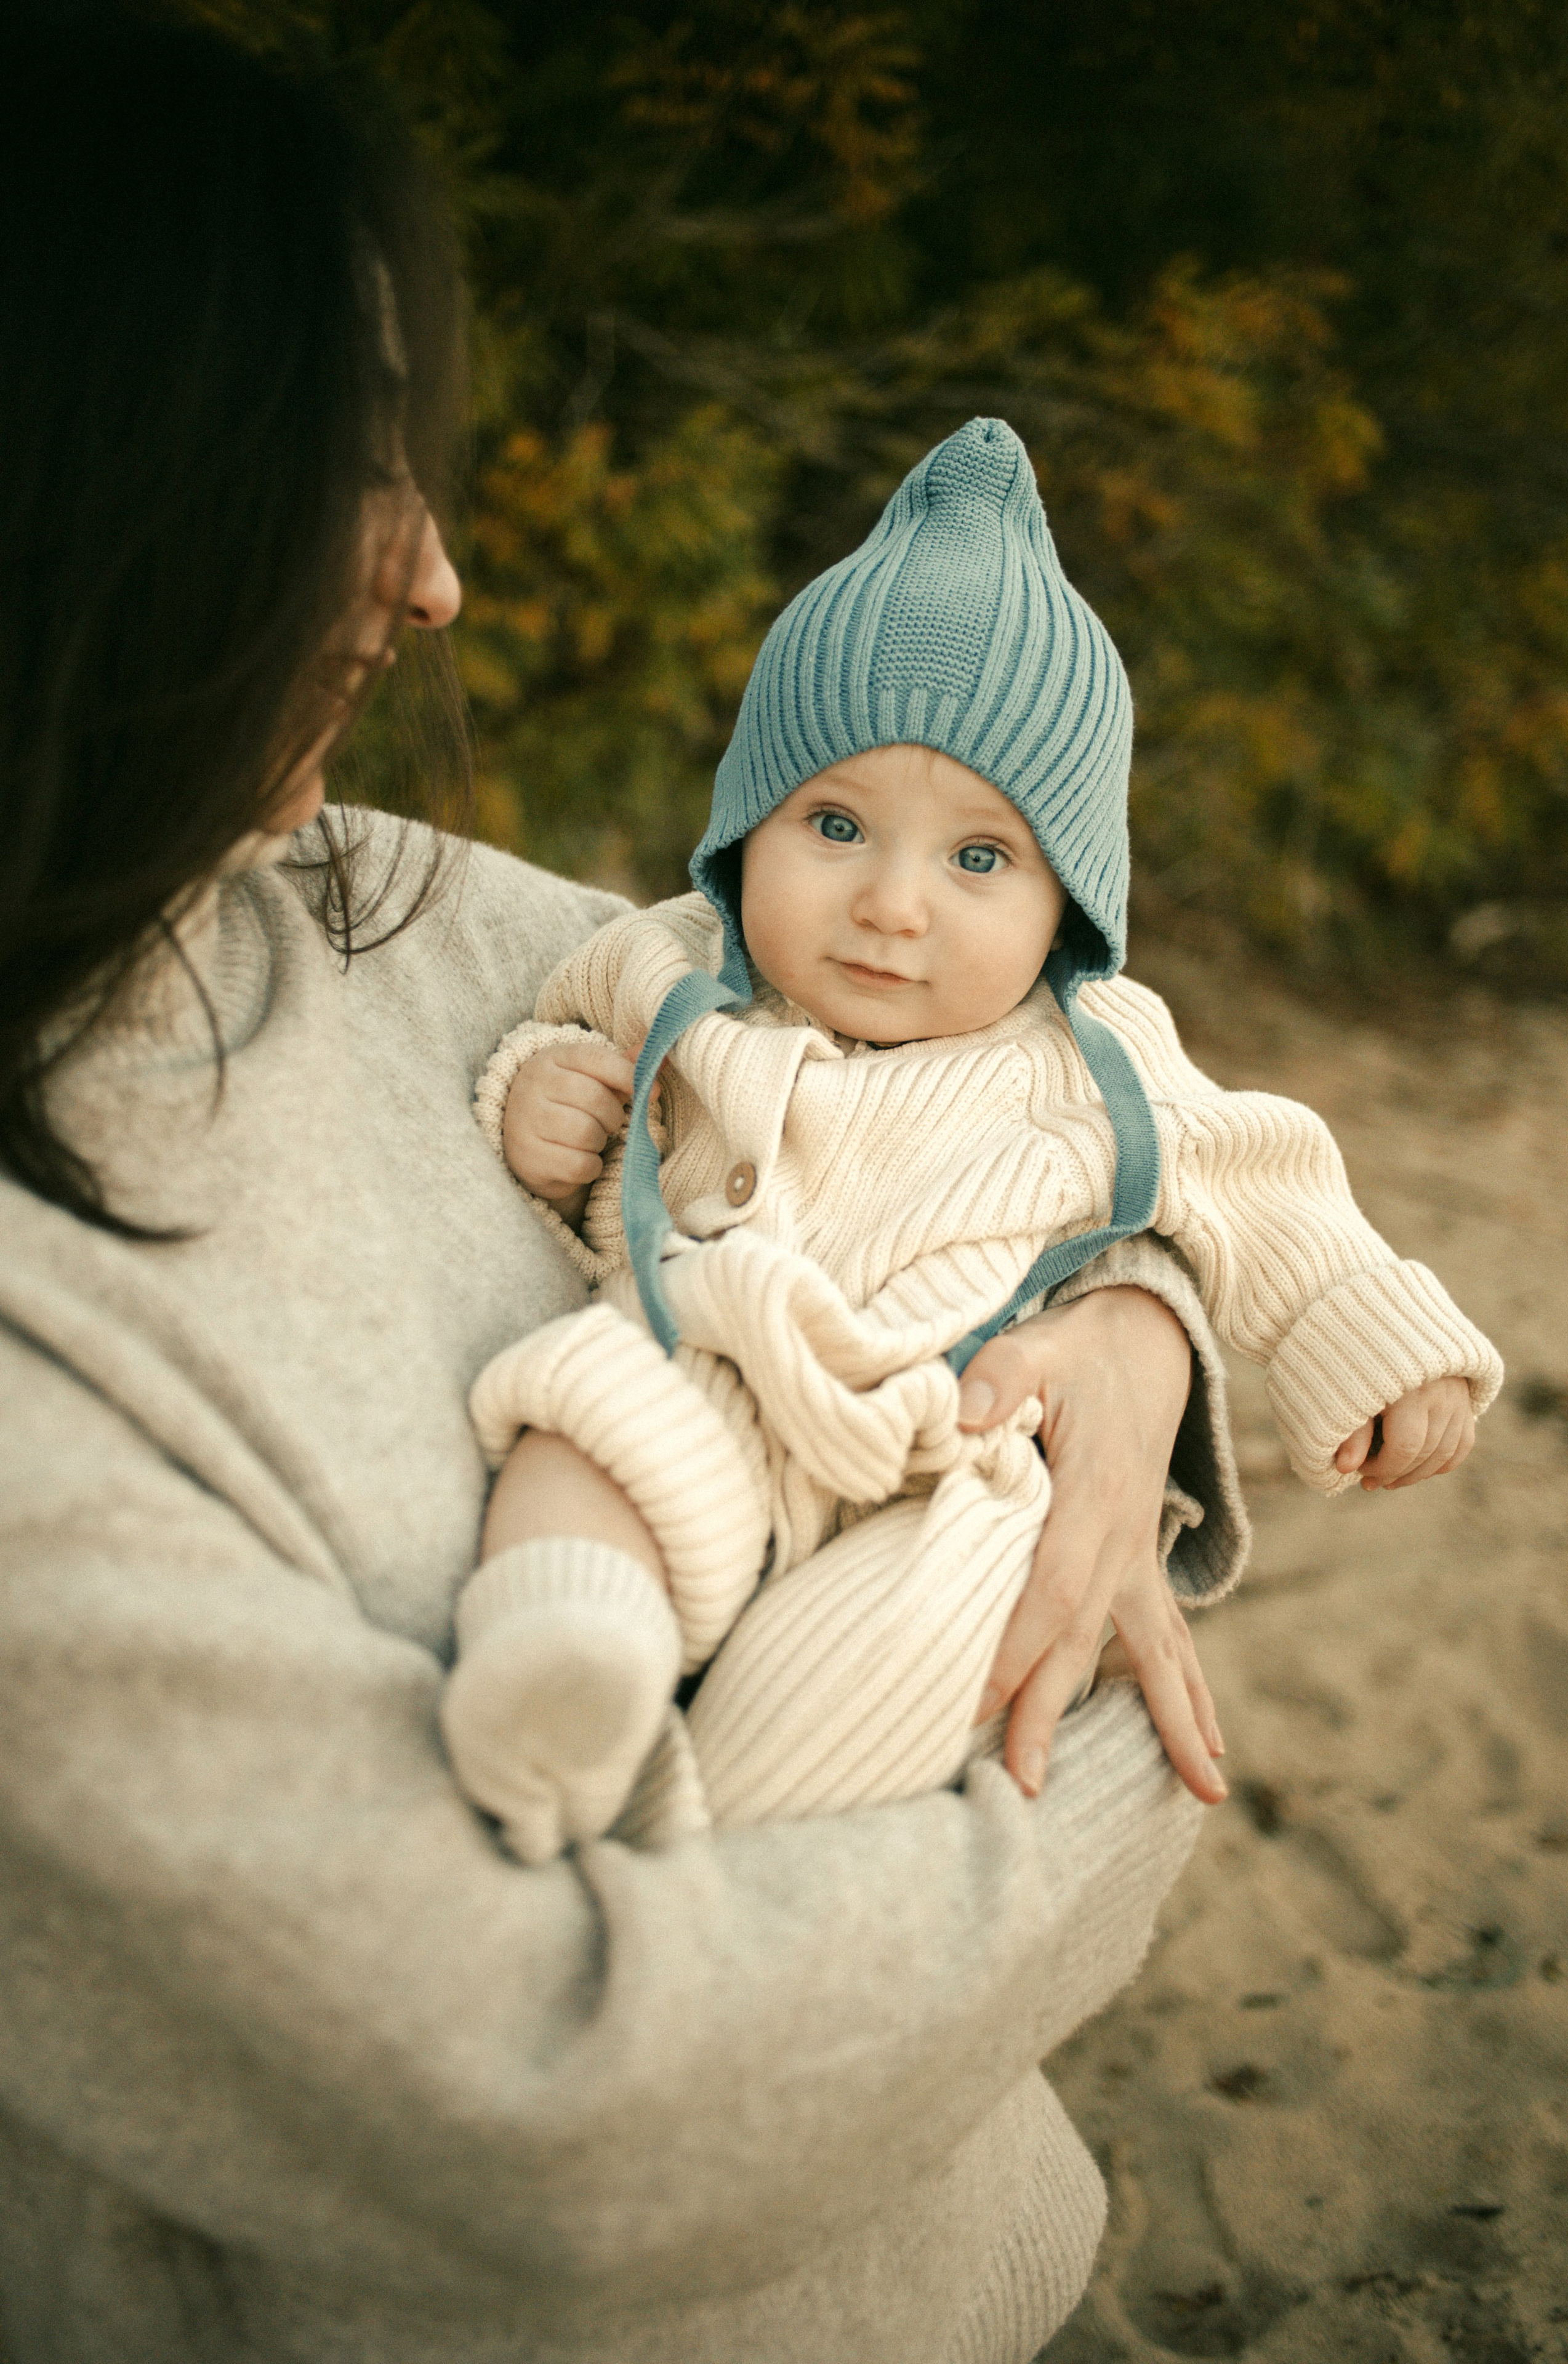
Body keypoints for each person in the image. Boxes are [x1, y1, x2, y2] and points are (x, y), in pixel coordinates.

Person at [0, 14, 1363, 2363]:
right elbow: (570, 2105)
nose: (433, 585)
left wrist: (1135, 1333)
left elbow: (987, 1118)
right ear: (93, 475)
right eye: (343, 462)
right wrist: (1122, 1757)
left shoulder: (361, 898)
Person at [438, 419, 1501, 1867]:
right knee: (584, 1428)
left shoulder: (1097, 1047)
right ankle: (562, 1672)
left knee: (903, 1643)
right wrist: (537, 1085)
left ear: (1065, 906)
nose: (890, 903)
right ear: (745, 825)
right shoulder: (668, 962)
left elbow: (1263, 1185)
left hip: (951, 1446)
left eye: (978, 859)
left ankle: (702, 1841)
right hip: (708, 1354)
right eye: (832, 824)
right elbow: (551, 1027)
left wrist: (1387, 1345)